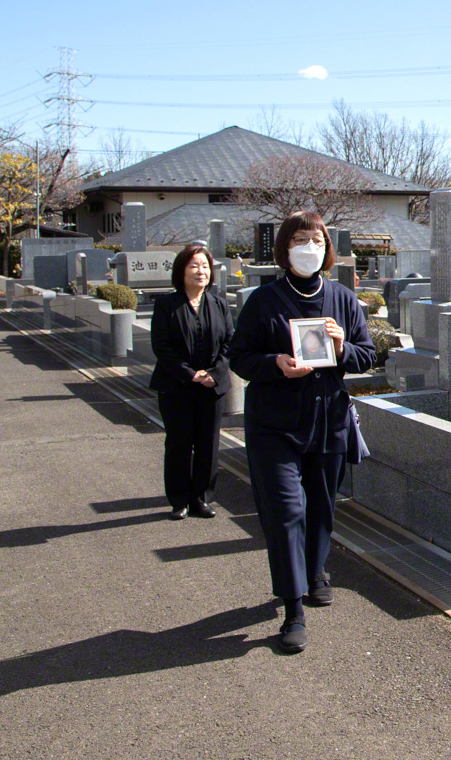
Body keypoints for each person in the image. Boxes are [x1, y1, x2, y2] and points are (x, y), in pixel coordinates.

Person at [227, 211, 376, 654]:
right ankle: (293, 607)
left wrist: (340, 346)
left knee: (323, 506)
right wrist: (274, 364)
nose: (308, 246)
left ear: (326, 247)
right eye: (299, 238)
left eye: (316, 239)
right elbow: (239, 356)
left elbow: (366, 355)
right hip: (275, 424)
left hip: (328, 419)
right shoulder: (263, 300)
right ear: (285, 247)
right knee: (286, 511)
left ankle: (315, 572)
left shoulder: (343, 299)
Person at [148, 244, 234, 521]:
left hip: (212, 386)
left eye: (205, 266)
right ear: (181, 271)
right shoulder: (166, 305)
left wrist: (214, 373)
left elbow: (229, 343)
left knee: (209, 443)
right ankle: (179, 500)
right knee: (179, 443)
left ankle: (202, 498)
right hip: (177, 386)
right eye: (194, 266)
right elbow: (161, 346)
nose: (201, 271)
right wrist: (190, 374)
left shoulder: (219, 303)